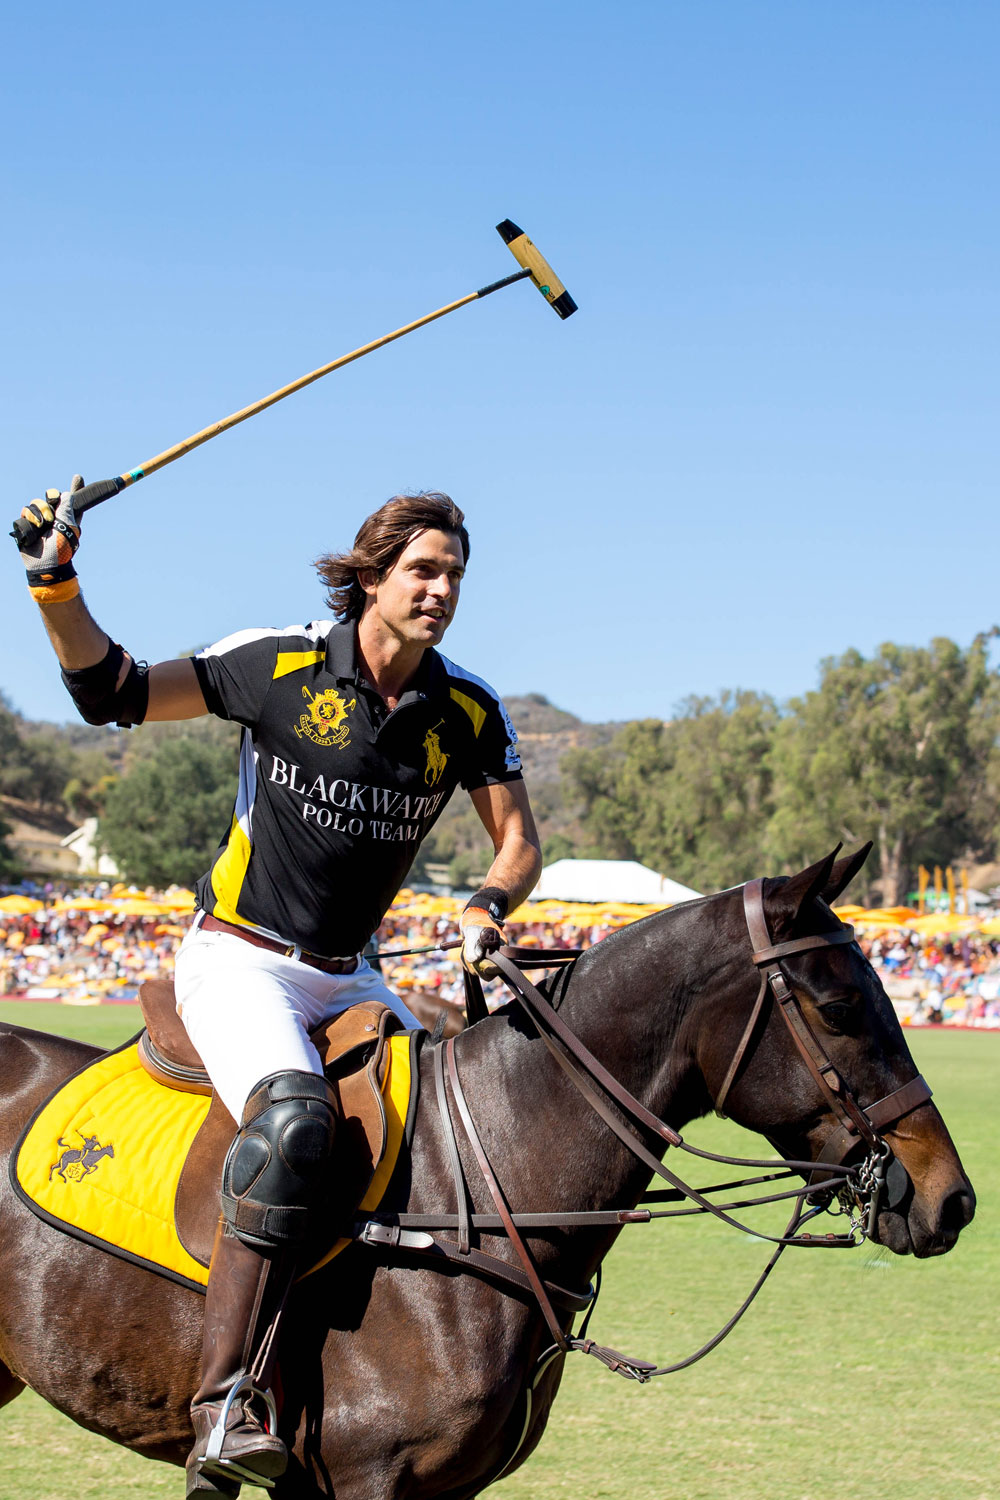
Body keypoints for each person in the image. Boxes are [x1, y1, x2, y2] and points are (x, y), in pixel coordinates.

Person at [17, 477, 542, 1492]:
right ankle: (223, 1402)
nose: (440, 590)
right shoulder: (279, 663)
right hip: (240, 960)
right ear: (372, 576)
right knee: (298, 1123)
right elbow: (111, 692)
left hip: (353, 977)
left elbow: (517, 841)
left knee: (465, 1121)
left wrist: (486, 906)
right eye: (423, 571)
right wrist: (55, 585)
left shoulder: (466, 709)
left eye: (455, 577)